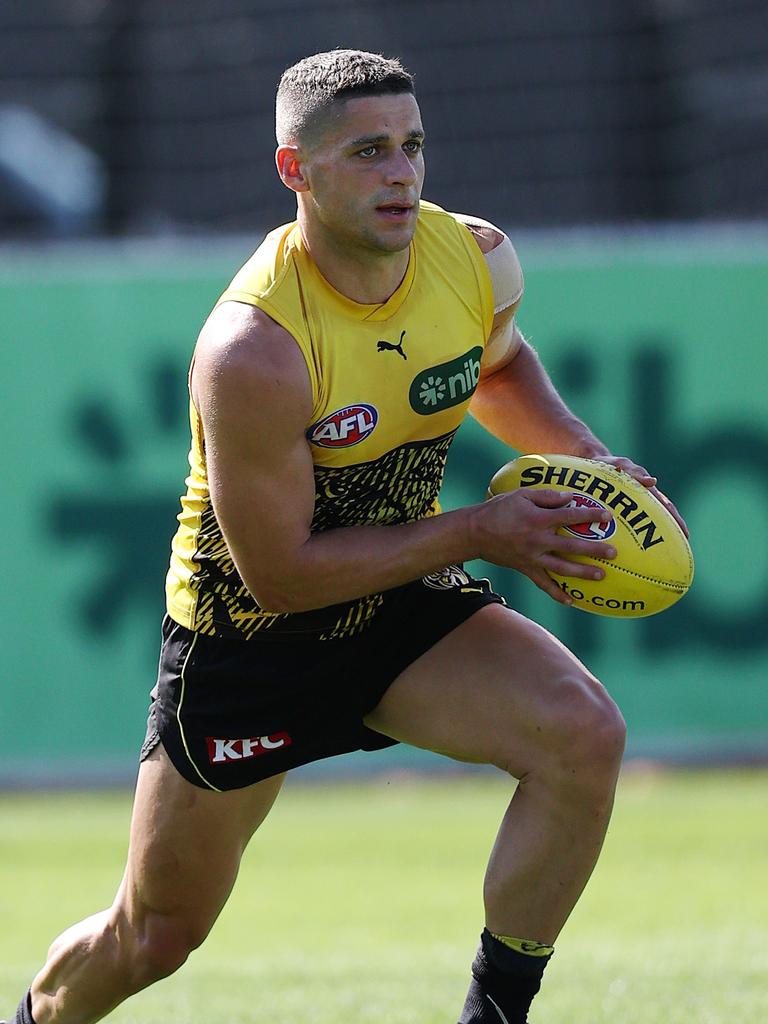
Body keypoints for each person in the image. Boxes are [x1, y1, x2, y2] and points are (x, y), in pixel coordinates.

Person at [8, 49, 688, 1024]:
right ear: (296, 170)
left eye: (413, 146)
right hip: (250, 643)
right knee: (154, 934)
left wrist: (584, 454)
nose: (403, 173)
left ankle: (494, 1016)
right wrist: (482, 530)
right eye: (369, 151)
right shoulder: (254, 349)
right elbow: (280, 577)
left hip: (401, 600)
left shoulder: (475, 257)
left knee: (584, 736)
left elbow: (497, 365)